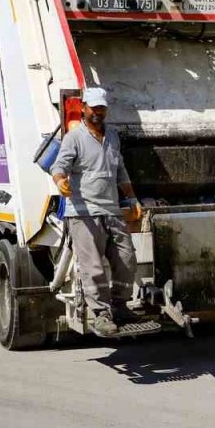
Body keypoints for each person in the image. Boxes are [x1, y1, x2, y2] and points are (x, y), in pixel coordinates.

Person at [50, 87, 141, 337]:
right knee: (93, 267)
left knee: (127, 259)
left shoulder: (112, 136)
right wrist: (60, 181)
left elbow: (119, 169)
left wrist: (132, 197)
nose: (98, 112)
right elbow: (59, 166)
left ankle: (120, 305)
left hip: (111, 209)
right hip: (83, 212)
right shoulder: (74, 137)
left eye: (102, 108)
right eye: (94, 108)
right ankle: (101, 314)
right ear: (83, 108)